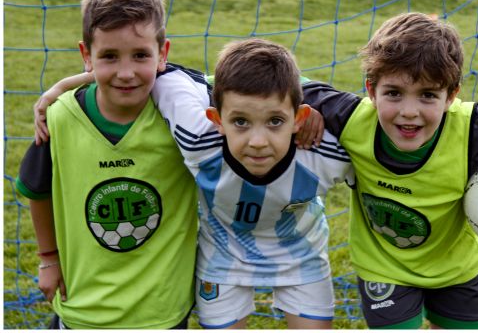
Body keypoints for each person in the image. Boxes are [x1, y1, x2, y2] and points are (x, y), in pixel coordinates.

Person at [300, 12, 478, 329]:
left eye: (428, 95)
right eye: (393, 93)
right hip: (382, 268)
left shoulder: (477, 127)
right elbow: (278, 81)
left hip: (457, 269)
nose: (409, 112)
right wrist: (299, 109)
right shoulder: (350, 117)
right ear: (371, 91)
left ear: (451, 95)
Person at [32, 38, 354, 329]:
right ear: (216, 120)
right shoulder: (197, 137)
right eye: (240, 121)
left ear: (298, 118)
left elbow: (373, 132)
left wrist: (316, 96)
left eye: (275, 121)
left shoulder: (325, 152)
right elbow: (150, 72)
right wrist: (67, 84)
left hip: (300, 254)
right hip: (223, 258)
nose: (257, 141)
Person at [16, 0, 198, 329]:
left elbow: (252, 88)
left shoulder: (184, 113)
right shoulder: (59, 117)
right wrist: (48, 258)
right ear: (86, 55)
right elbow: (37, 191)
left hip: (162, 310)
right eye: (109, 56)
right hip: (83, 306)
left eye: (141, 55)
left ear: (164, 53)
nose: (126, 73)